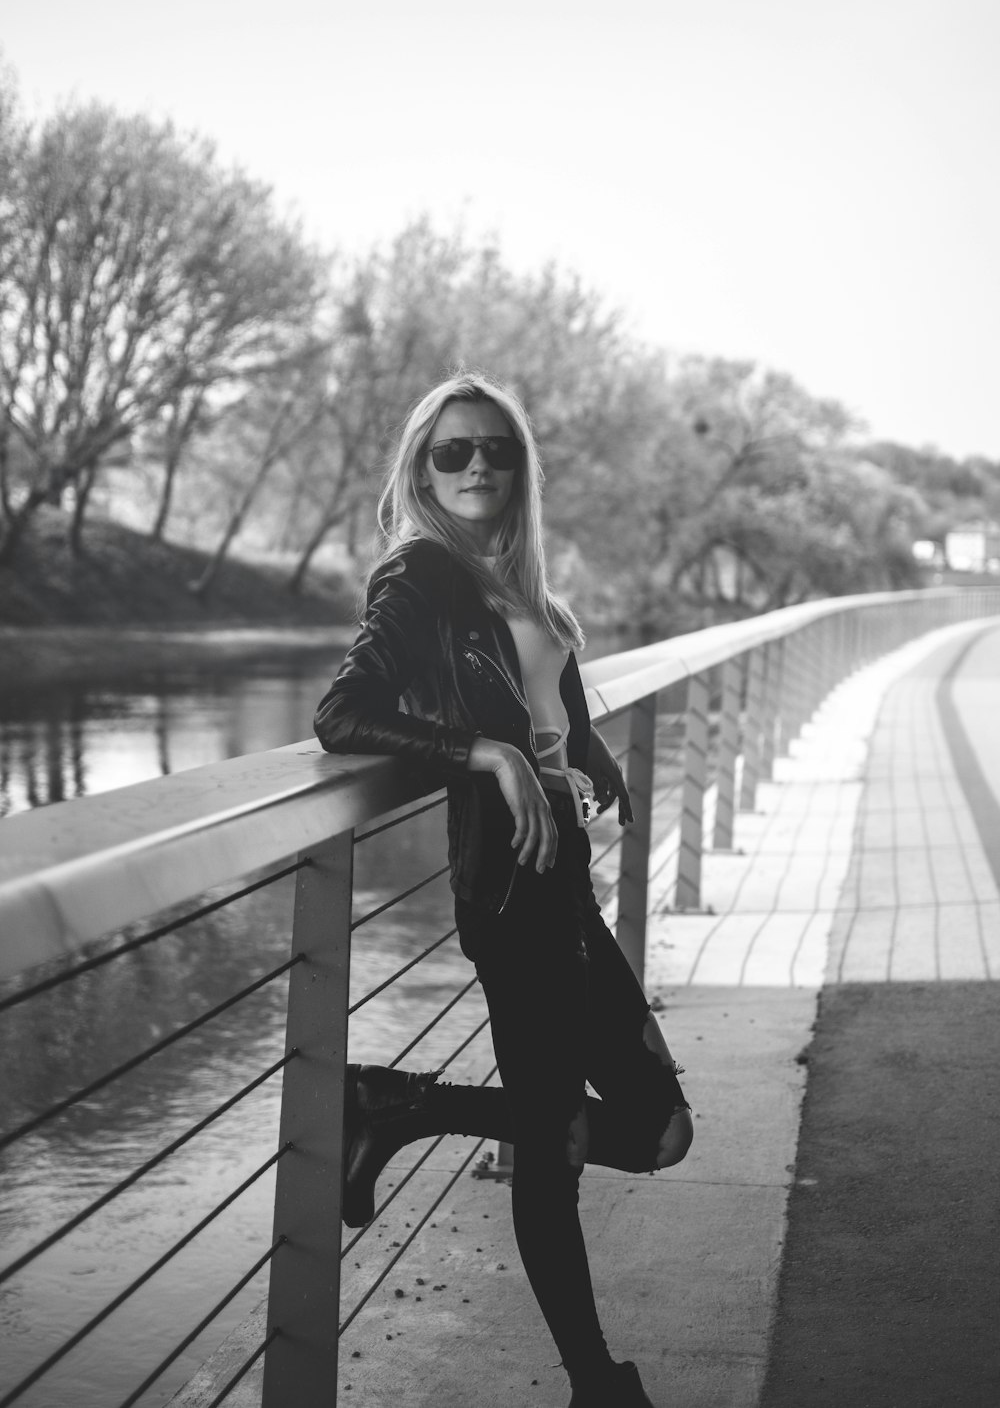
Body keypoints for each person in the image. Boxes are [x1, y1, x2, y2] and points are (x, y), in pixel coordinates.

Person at [314, 371, 693, 1408]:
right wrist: (482, 752)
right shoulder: (421, 576)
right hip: (513, 897)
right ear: (422, 468)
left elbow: (547, 691)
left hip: (563, 884)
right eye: (452, 452)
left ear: (520, 465)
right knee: (556, 1145)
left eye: (496, 449)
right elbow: (341, 713)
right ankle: (595, 1384)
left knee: (660, 1129)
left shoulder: (515, 580)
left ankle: (404, 1105)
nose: (478, 464)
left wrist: (584, 754)